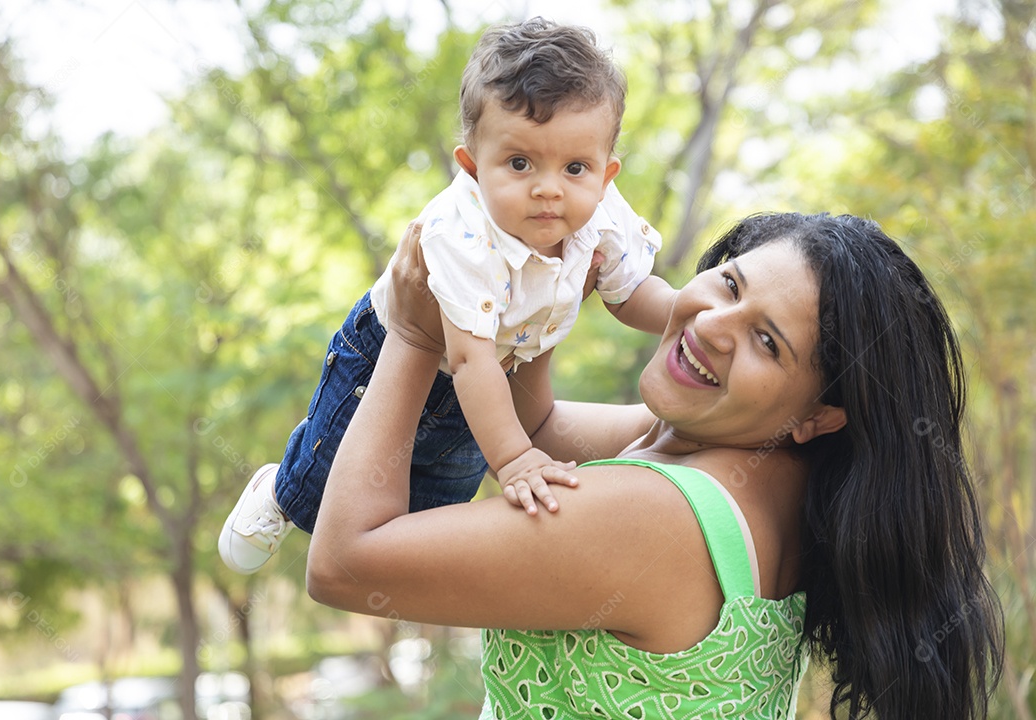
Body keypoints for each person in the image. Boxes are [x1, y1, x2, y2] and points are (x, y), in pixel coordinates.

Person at [306, 214, 1003, 719]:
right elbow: (538, 431)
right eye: (729, 285)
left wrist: (415, 334)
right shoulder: (751, 468)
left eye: (766, 341)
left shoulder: (659, 518)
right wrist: (544, 304)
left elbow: (346, 563)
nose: (710, 325)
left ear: (819, 414)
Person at [218, 17, 677, 575]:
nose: (549, 187)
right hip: (397, 351)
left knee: (432, 506)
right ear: (472, 167)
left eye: (575, 167)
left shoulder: (600, 212)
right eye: (519, 163)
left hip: (489, 371)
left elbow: (631, 295)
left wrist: (692, 315)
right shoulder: (459, 232)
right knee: (329, 484)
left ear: (606, 175)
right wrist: (513, 460)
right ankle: (283, 486)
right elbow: (466, 358)